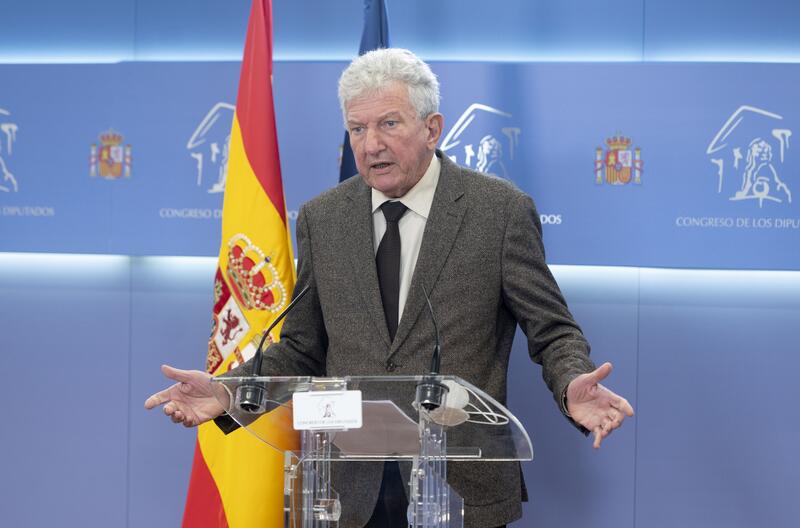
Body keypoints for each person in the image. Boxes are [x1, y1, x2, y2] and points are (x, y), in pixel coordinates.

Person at [146, 48, 634, 528]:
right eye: (357, 129)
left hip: (458, 486)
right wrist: (228, 391)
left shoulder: (498, 211)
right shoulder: (323, 218)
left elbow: (552, 330)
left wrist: (571, 382)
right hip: (348, 491)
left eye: (389, 124)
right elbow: (301, 347)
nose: (371, 144)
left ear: (432, 128)